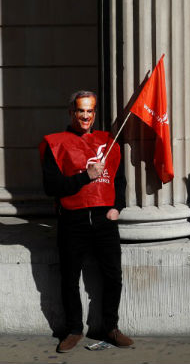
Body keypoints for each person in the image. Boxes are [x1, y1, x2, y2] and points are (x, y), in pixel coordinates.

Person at [40, 91, 133, 352]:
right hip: (73, 220)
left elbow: (119, 179)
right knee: (69, 278)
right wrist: (86, 177)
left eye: (90, 111)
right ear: (71, 112)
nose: (85, 116)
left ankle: (111, 327)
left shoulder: (108, 141)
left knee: (113, 276)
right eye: (81, 110)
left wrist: (118, 207)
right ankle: (73, 330)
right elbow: (51, 186)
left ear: (95, 113)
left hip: (104, 220)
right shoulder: (55, 144)